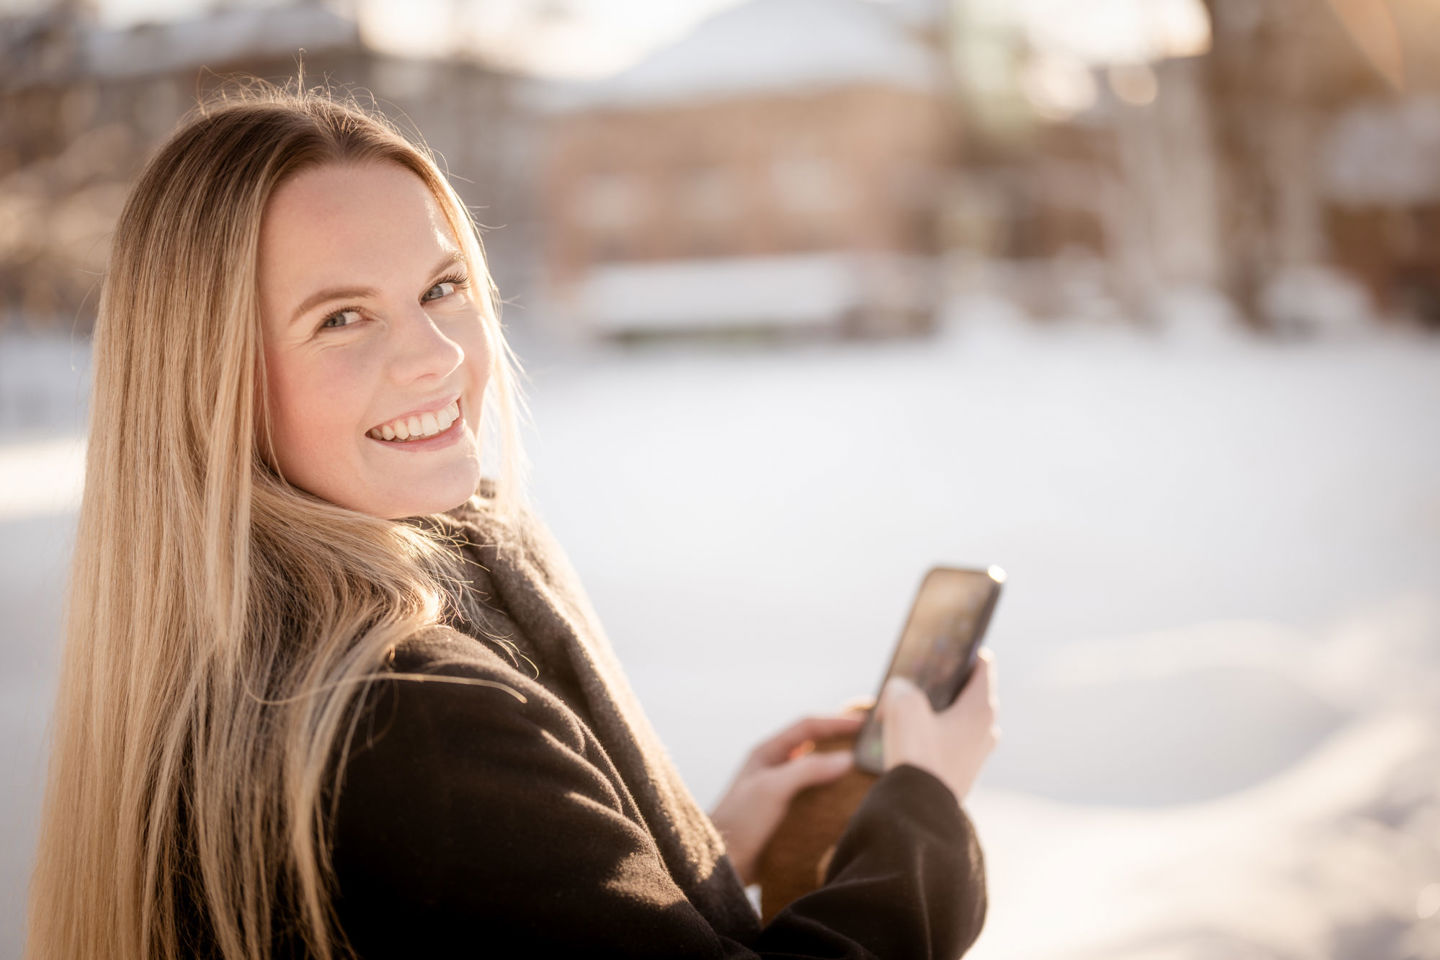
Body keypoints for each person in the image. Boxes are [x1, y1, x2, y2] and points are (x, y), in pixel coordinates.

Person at [27, 84, 1000, 959]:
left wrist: (682, 848)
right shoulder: (405, 711)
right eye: (341, 318)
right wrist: (918, 815)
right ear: (208, 382)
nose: (437, 356)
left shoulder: (241, 644)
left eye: (441, 288)